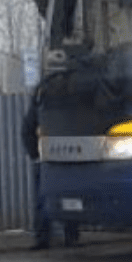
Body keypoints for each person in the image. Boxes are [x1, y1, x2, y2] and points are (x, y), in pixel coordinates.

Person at [21, 84, 79, 250]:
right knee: (67, 197)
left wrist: (35, 155)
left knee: (44, 200)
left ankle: (45, 238)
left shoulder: (40, 106)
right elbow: (27, 131)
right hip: (62, 158)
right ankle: (69, 236)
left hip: (47, 159)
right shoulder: (67, 108)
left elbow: (27, 130)